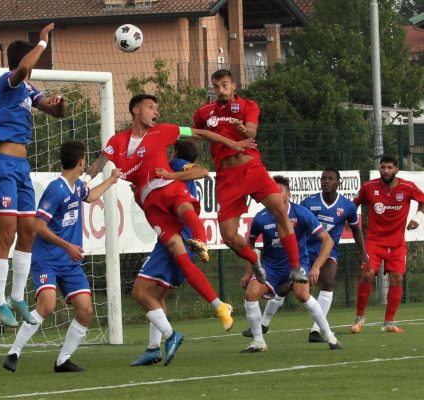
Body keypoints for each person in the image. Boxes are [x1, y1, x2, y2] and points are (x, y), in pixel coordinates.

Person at [86, 93, 257, 331]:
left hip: (166, 186)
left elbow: (200, 133)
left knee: (185, 208)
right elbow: (99, 163)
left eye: (157, 108)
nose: (156, 112)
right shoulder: (117, 141)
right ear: (136, 110)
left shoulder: (164, 131)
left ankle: (201, 242)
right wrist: (83, 179)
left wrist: (233, 144)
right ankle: (220, 306)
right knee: (181, 258)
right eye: (151, 107)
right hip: (149, 204)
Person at [2, 140, 120, 373]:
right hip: (47, 258)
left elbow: (90, 196)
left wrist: (111, 179)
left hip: (70, 261)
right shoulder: (56, 189)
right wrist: (67, 245)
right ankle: (13, 352)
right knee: (46, 305)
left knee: (85, 310)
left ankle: (62, 361)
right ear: (80, 162)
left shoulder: (76, 187)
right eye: (85, 160)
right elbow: (38, 225)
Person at [0, 22, 67, 327]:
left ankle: (17, 296)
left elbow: (55, 112)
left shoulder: (29, 91)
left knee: (28, 230)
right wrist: (42, 43)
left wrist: (60, 105)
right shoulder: (9, 81)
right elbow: (23, 69)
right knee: (7, 232)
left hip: (21, 167)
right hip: (1, 164)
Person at [193, 69, 304, 287]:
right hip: (227, 177)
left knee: (280, 209)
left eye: (225, 85)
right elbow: (196, 138)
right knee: (228, 236)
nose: (221, 90)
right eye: (216, 86)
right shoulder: (204, 112)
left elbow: (252, 132)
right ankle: (254, 259)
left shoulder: (248, 105)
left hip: (252, 169)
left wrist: (244, 130)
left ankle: (295, 266)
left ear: (234, 85)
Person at [243, 169, 370, 342]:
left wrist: (363, 253)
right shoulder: (305, 204)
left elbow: (351, 231)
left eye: (330, 178)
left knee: (324, 283)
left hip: (322, 252)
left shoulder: (344, 206)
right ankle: (262, 328)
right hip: (297, 253)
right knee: (280, 289)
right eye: (323, 178)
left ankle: (319, 331)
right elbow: (249, 244)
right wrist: (249, 271)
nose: (326, 181)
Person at [240, 175, 341, 353]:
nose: (276, 194)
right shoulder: (261, 217)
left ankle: (330, 336)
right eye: (273, 191)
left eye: (280, 191)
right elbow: (249, 245)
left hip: (297, 263)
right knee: (250, 294)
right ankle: (258, 342)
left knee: (302, 294)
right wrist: (249, 273)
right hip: (271, 266)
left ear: (289, 195)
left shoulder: (301, 213)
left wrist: (316, 266)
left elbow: (328, 241)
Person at [130, 140, 205, 367]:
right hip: (182, 236)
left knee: (140, 292)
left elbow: (200, 172)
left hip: (175, 237)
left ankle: (171, 334)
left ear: (173, 153)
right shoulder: (179, 174)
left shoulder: (177, 164)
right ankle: (153, 349)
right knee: (157, 295)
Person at [350, 155, 424, 334]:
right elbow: (353, 204)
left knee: (397, 278)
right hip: (374, 241)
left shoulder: (407, 187)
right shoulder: (369, 187)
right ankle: (359, 318)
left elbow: (422, 201)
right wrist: (349, 220)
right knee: (367, 274)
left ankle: (389, 323)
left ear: (397, 170)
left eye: (390, 167)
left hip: (397, 243)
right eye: (383, 167)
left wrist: (417, 218)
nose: (386, 171)